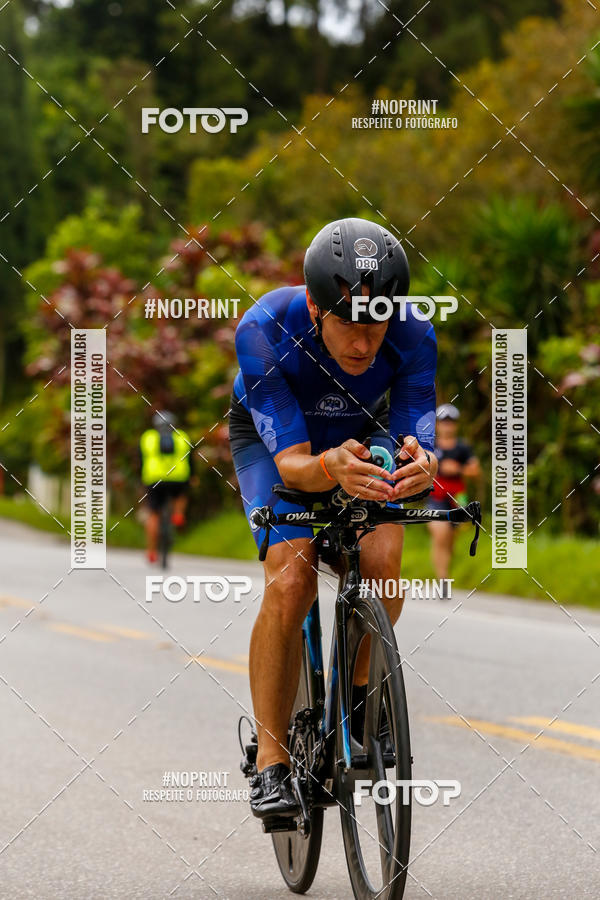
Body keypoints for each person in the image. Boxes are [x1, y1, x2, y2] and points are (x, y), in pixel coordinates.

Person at [229, 217, 439, 818]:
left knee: (382, 566)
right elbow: (295, 465)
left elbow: (414, 434)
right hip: (279, 448)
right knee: (291, 576)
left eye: (376, 323)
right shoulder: (266, 329)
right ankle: (270, 762)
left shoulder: (415, 334)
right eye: (348, 322)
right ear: (316, 306)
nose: (364, 342)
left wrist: (420, 464)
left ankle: (353, 702)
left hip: (361, 435)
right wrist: (330, 468)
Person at [427, 403, 481, 596]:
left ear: (456, 425)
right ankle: (442, 579)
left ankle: (445, 571)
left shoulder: (463, 448)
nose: (447, 427)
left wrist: (457, 469)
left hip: (458, 498)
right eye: (444, 422)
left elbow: (475, 470)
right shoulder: (430, 446)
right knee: (440, 533)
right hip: (436, 496)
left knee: (449, 539)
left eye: (451, 423)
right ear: (437, 425)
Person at [140, 411, 192, 564]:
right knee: (182, 494)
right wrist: (192, 477)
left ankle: (151, 551)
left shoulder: (147, 438)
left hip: (154, 479)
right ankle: (178, 514)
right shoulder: (182, 436)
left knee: (153, 514)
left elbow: (141, 460)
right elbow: (190, 461)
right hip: (178, 479)